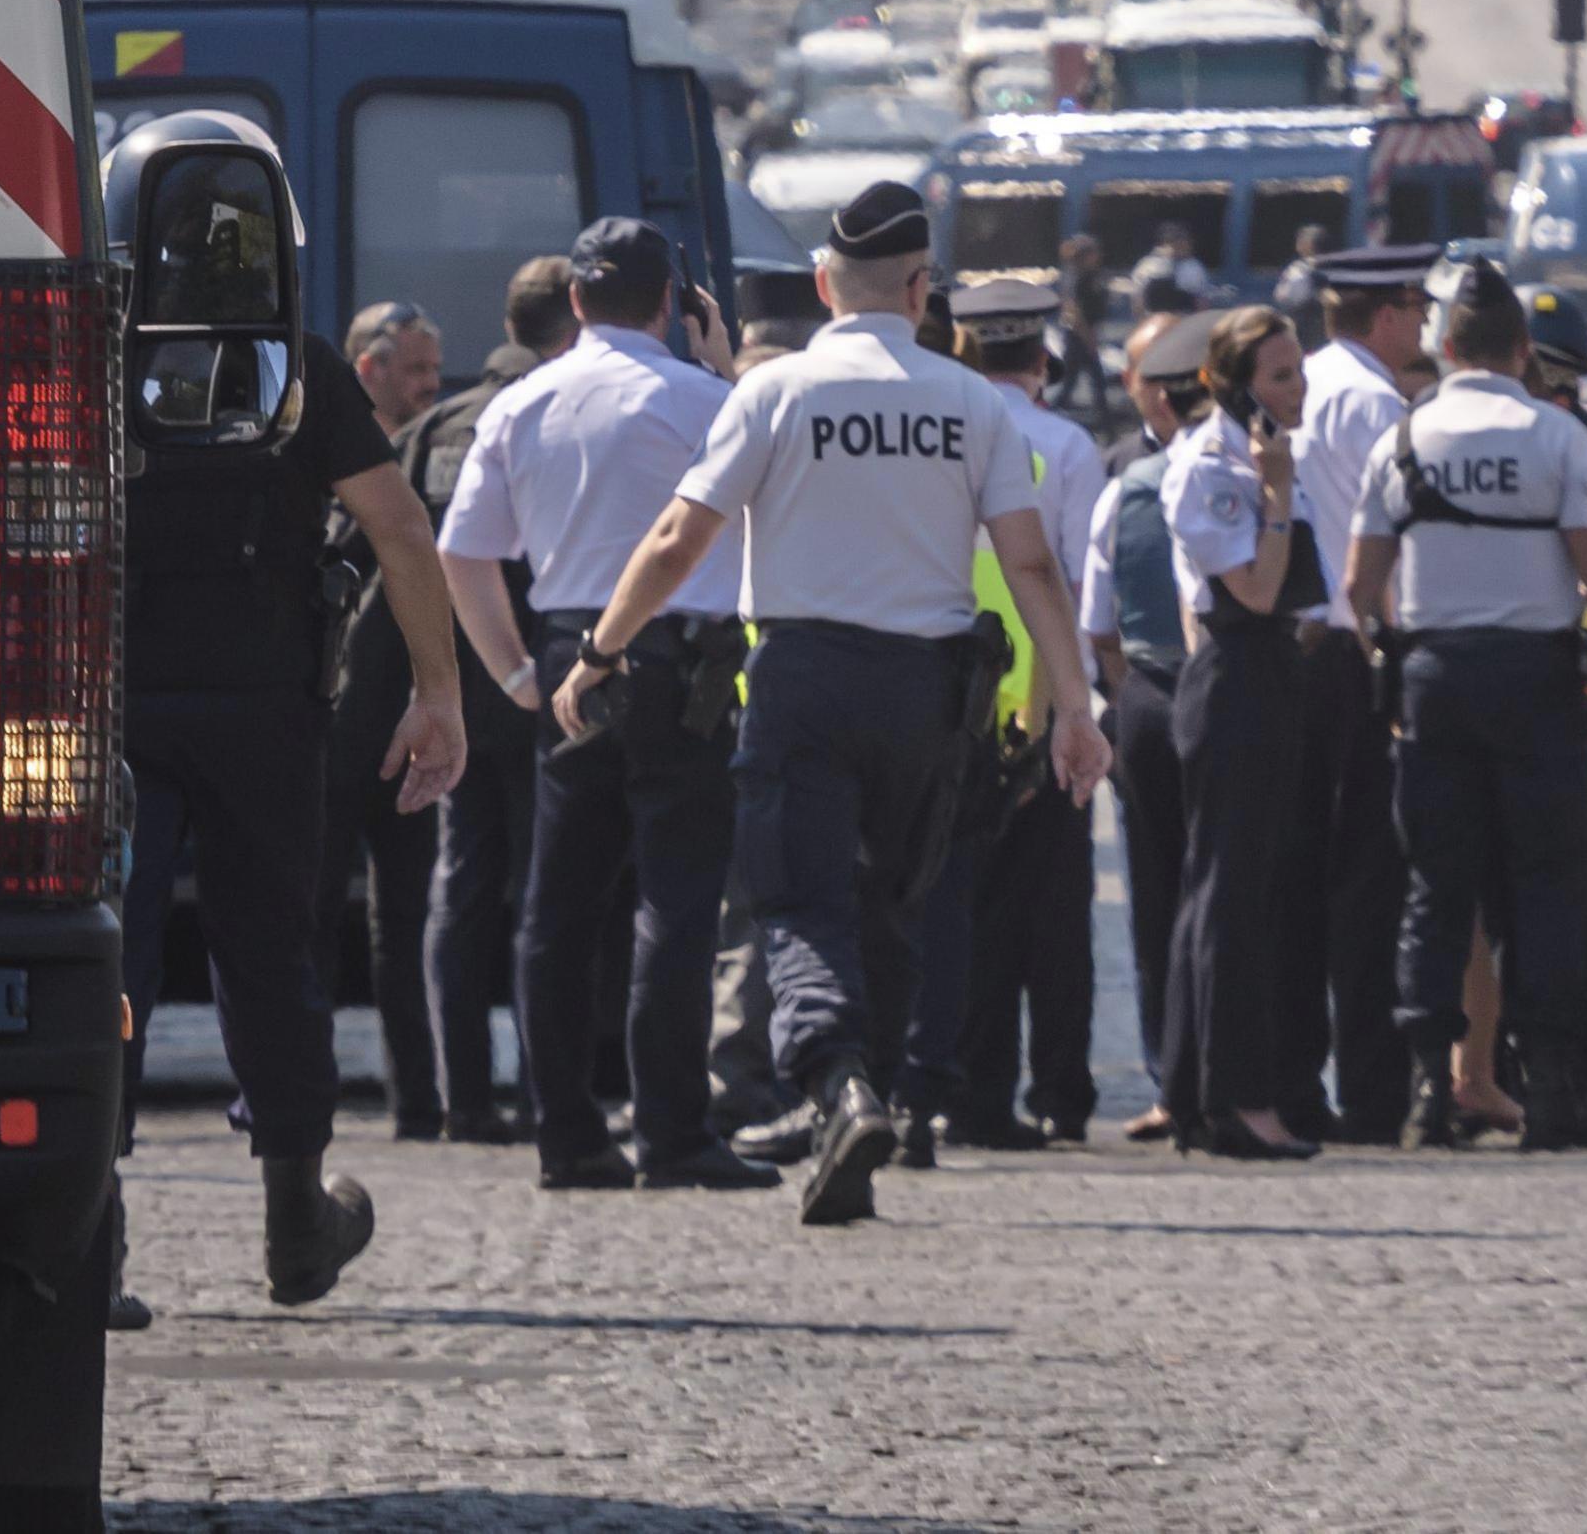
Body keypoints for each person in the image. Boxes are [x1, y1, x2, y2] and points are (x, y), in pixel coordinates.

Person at [562, 179, 1105, 1228]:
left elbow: (680, 537)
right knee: (890, 906)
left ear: (822, 285)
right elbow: (1032, 565)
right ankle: (874, 1097)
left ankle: (837, 1085)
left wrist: (600, 650)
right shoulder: (972, 401)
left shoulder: (777, 393)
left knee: (800, 903)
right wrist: (1074, 706)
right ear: (920, 289)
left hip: (803, 677)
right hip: (926, 691)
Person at [116, 117, 472, 1312]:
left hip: (102, 703)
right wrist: (436, 694)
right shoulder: (298, 366)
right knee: (271, 951)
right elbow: (399, 527)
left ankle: (83, 1236)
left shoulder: (80, 354)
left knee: (96, 955)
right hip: (266, 713)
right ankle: (293, 1226)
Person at [433, 221, 776, 1196]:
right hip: (685, 654)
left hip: (564, 647)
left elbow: (464, 553)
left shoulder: (520, 404)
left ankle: (567, 1134)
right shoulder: (703, 398)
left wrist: (512, 675)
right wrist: (722, 369)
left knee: (558, 906)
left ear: (575, 301)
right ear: (668, 300)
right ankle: (671, 1130)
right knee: (675, 899)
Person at [1350, 259, 1587, 1149]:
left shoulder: (1402, 439)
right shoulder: (1556, 437)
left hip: (1434, 680)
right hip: (1536, 684)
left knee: (1437, 889)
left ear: (1445, 348)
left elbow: (1362, 585)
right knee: (1547, 884)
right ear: (1523, 352)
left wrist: (1394, 656)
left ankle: (1429, 1092)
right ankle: (1554, 1091)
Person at [936, 273, 1110, 1152]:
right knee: (1055, 913)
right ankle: (1063, 1090)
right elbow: (1069, 587)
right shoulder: (1066, 446)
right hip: (1039, 705)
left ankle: (971, 1084)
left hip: (946, 705)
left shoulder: (943, 430)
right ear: (1042, 353)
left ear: (964, 345)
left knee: (965, 907)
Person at [1156, 304, 1326, 1160]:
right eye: (1281, 375)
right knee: (1230, 895)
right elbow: (1254, 591)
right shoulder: (1222, 464)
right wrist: (1280, 490)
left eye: (1298, 368)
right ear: (1237, 385)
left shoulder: (1236, 454)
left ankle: (1194, 1090)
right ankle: (1235, 1098)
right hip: (1239, 670)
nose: (1299, 388)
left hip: (1254, 672)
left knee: (1224, 888)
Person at [413, 256, 575, 1141]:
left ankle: (461, 1097)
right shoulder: (555, 413)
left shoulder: (442, 422)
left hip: (456, 686)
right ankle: (549, 1091)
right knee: (548, 895)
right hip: (542, 681)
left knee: (462, 886)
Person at [1286, 244, 1443, 1142]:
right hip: (1357, 657)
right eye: (1416, 312)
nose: (1420, 327)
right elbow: (1389, 545)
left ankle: (1303, 1078)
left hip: (1304, 653)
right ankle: (1374, 1090)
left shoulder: (1308, 382)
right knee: (1369, 882)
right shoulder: (1379, 403)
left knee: (1304, 876)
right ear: (1387, 315)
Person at [1084, 306, 1215, 1140]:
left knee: (1168, 892)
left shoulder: (1124, 485)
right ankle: (1197, 1072)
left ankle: (1185, 1075)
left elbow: (1098, 622)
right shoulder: (1247, 474)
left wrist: (1135, 695)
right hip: (1203, 695)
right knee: (1200, 891)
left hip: (1148, 695)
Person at [330, 301, 455, 1139]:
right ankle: (290, 1092)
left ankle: (417, 1098)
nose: (433, 385)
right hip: (340, 726)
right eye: (416, 370)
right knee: (307, 910)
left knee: (402, 919)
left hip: (406, 725)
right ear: (369, 369)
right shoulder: (333, 456)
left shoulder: (420, 449)